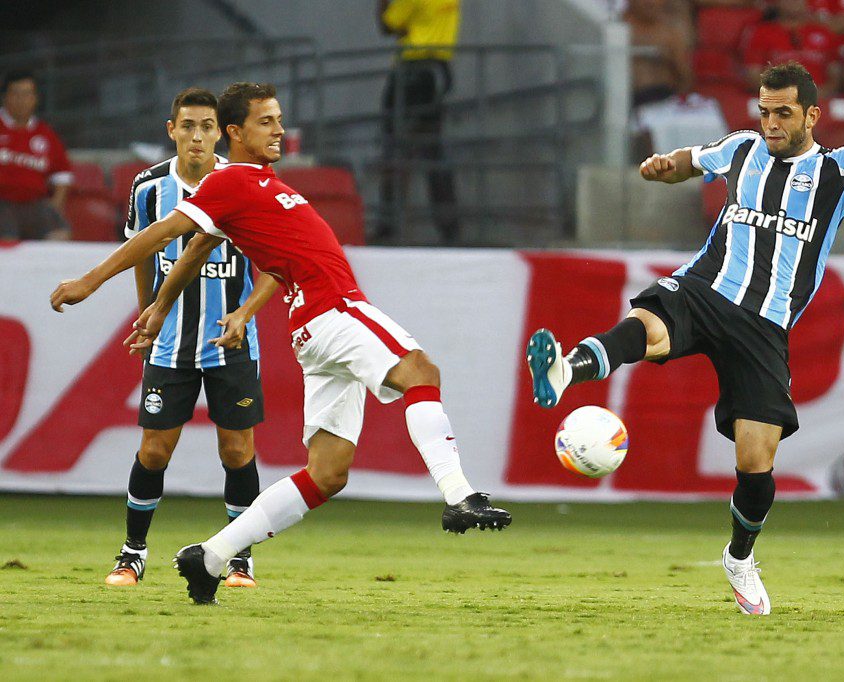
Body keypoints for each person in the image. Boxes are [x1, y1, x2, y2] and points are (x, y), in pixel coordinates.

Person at [50, 82, 511, 605]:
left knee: (327, 473)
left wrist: (159, 305)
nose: (279, 130)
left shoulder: (258, 184)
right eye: (266, 121)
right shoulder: (230, 184)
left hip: (311, 328)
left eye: (279, 119)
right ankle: (460, 495)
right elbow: (160, 234)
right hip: (334, 307)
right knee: (421, 372)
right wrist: (91, 281)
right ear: (235, 132)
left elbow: (199, 246)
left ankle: (210, 557)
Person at [527, 58, 844, 615]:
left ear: (812, 116)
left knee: (756, 461)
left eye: (784, 114)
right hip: (705, 289)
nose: (771, 123)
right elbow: (689, 163)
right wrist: (662, 167)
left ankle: (740, 556)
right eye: (765, 112)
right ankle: (564, 370)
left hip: (764, 325)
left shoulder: (841, 169)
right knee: (647, 327)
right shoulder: (741, 149)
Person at [104, 87, 279, 589]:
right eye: (188, 126)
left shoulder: (244, 183)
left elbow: (272, 264)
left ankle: (240, 557)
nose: (197, 136)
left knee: (237, 451)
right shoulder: (148, 188)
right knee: (155, 450)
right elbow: (140, 251)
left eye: (207, 126)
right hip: (169, 343)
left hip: (231, 341)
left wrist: (244, 312)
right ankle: (133, 553)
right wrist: (146, 314)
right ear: (172, 130)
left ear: (220, 133)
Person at [377, 0, 461, 244]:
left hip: (412, 71)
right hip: (438, 71)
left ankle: (388, 225)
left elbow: (388, 24)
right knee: (433, 149)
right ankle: (449, 227)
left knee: (394, 148)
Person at [0, 69, 73, 240]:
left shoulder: (46, 134)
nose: (21, 100)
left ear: (35, 98)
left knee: (60, 235)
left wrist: (54, 207)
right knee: (7, 242)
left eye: (27, 94)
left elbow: (62, 175)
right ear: (5, 97)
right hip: (3, 205)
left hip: (36, 204)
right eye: (15, 94)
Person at [741, 0, 841, 98]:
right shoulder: (761, 33)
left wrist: (820, 93)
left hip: (820, 101)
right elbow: (753, 75)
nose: (793, 2)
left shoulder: (824, 32)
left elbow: (836, 74)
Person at [622, 0, 694, 109]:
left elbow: (686, 81)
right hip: (623, 101)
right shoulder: (615, 30)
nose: (649, 2)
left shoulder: (671, 34)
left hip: (661, 103)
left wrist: (672, 59)